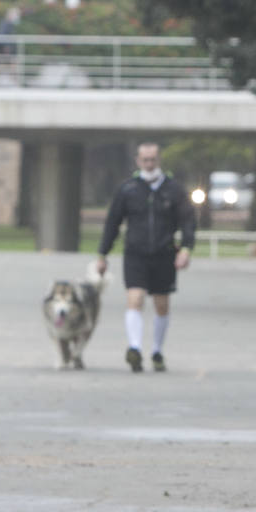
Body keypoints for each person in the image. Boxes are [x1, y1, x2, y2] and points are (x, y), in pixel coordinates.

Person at [96, 143, 196, 373]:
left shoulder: (173, 189)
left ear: (158, 160)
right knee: (135, 298)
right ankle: (135, 349)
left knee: (162, 305)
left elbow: (188, 221)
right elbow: (113, 223)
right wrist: (103, 254)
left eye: (153, 159)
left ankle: (157, 351)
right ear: (138, 161)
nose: (149, 164)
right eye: (145, 160)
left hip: (164, 254)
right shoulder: (128, 189)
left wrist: (186, 249)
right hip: (135, 253)